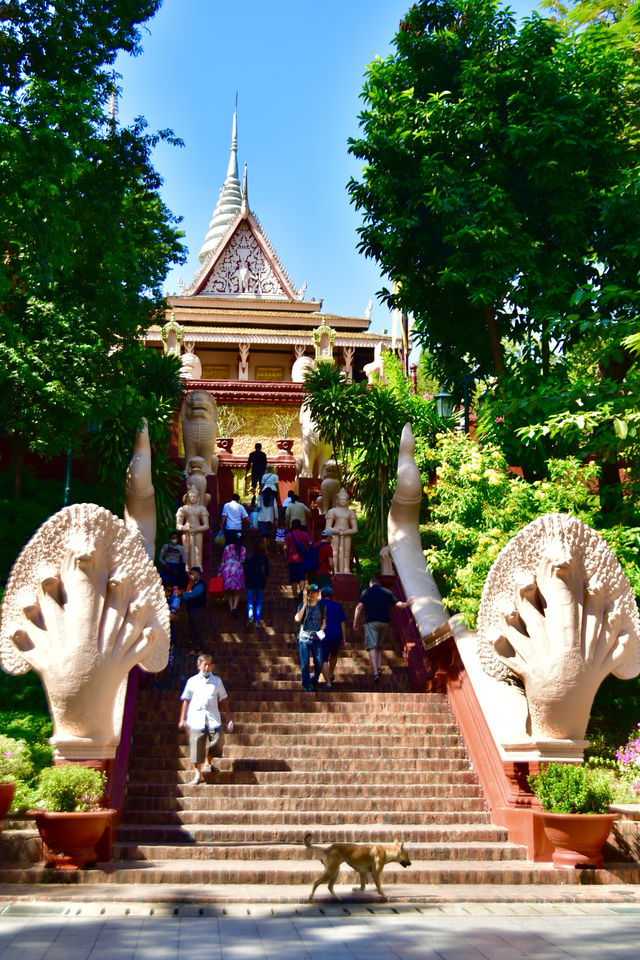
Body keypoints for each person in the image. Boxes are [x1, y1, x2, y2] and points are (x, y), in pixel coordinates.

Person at [178, 654, 233, 785]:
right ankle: (198, 774)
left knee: (218, 740)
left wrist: (228, 716)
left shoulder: (217, 681)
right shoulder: (192, 681)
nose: (207, 667)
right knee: (196, 744)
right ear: (199, 666)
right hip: (196, 717)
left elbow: (223, 699)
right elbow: (186, 700)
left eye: (209, 664)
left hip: (213, 716)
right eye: (205, 664)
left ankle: (208, 762)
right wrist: (182, 719)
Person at [353, 577, 414, 682]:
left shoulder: (366, 592)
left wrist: (355, 621)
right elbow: (399, 604)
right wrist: (406, 603)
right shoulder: (387, 592)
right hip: (384, 623)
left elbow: (359, 606)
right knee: (379, 646)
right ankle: (379, 667)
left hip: (371, 622)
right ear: (379, 584)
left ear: (371, 584)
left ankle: (376, 673)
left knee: (372, 646)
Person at [294, 583, 326, 692]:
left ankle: (313, 682)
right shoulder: (302, 606)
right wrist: (304, 605)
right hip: (304, 638)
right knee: (305, 662)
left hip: (316, 637)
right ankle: (306, 685)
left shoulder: (322, 606)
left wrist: (321, 631)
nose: (312, 595)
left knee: (319, 662)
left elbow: (324, 623)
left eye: (315, 592)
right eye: (310, 593)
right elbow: (297, 619)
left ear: (318, 594)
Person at [325, 488, 358, 574]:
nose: (343, 501)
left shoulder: (351, 512)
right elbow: (327, 527)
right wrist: (336, 531)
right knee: (335, 553)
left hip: (346, 534)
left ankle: (346, 569)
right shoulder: (332, 511)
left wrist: (346, 532)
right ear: (337, 500)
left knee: (346, 553)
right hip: (335, 534)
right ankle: (335, 569)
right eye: (341, 499)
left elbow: (355, 529)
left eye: (345, 500)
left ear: (347, 501)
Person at [175, 486, 210, 569]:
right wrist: (184, 528)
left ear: (198, 497)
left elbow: (206, 525)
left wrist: (196, 529)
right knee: (186, 550)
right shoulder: (183, 509)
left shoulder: (202, 509)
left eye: (195, 496)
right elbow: (178, 525)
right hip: (186, 530)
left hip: (198, 530)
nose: (193, 498)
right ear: (187, 497)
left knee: (197, 551)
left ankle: (198, 566)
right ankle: (187, 566)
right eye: (191, 496)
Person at [320, 585, 347, 686]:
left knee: (323, 659)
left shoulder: (317, 605)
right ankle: (331, 673)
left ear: (321, 595)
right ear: (331, 595)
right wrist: (344, 638)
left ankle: (328, 682)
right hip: (336, 634)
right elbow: (343, 623)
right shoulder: (337, 606)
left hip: (322, 635)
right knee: (334, 654)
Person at [218, 534, 246, 618]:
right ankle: (234, 607)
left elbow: (223, 560)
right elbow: (243, 560)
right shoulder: (242, 548)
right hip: (237, 570)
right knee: (237, 590)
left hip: (227, 570)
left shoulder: (227, 547)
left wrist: (219, 572)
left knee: (229, 591)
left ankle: (230, 608)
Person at [243, 540, 270, 627]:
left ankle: (250, 618)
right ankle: (257, 621)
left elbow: (245, 570)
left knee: (250, 601)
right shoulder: (264, 559)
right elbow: (267, 572)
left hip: (250, 582)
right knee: (259, 602)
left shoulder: (249, 557)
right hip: (260, 582)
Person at [181, 567, 208, 649]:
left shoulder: (200, 584)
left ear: (198, 573)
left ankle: (201, 647)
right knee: (192, 629)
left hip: (197, 610)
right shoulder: (194, 584)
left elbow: (193, 594)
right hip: (191, 609)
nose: (191, 576)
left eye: (192, 574)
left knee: (197, 629)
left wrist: (182, 595)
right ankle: (194, 647)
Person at [285, 518, 311, 597]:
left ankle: (295, 595)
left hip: (292, 559)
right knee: (301, 577)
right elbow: (310, 544)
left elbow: (285, 547)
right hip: (302, 559)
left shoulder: (289, 535)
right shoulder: (305, 534)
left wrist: (286, 554)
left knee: (293, 579)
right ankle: (301, 591)